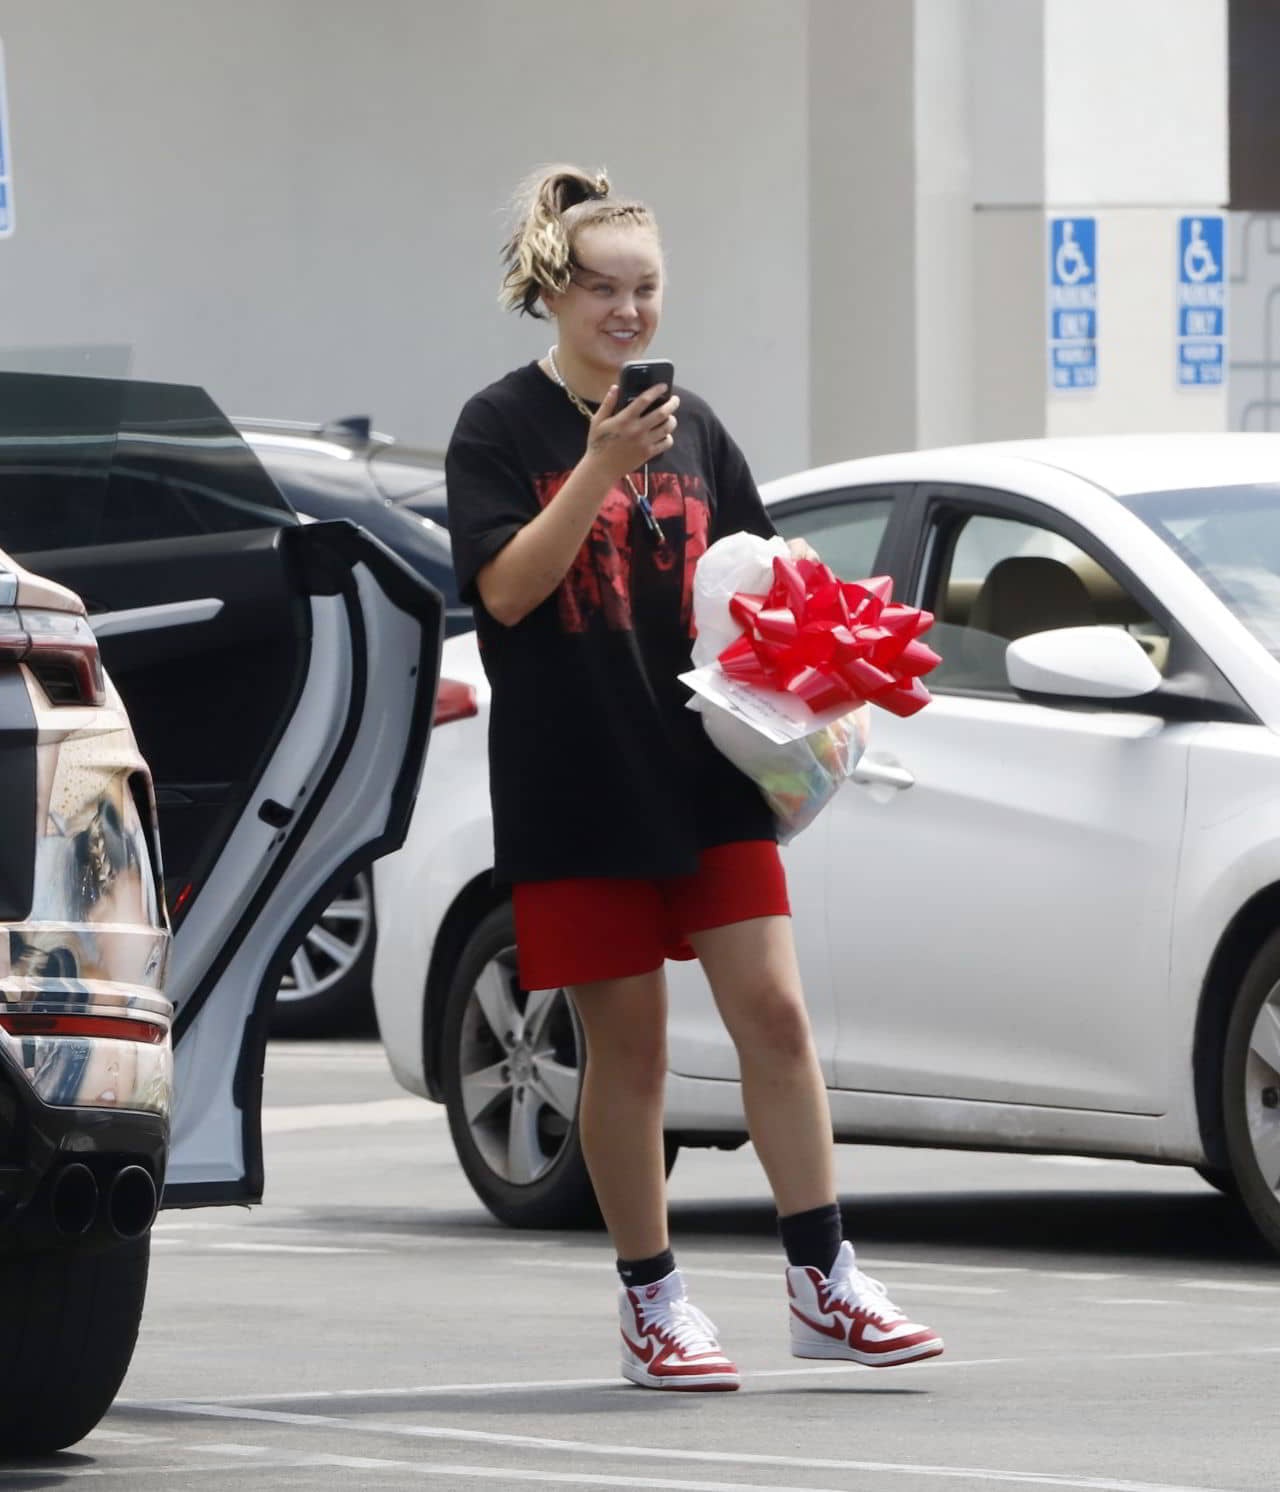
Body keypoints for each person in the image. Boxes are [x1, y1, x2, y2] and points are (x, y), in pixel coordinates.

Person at [446, 163, 943, 1392]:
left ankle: (822, 1276)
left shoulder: (698, 426)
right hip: (578, 781)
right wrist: (598, 467)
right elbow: (505, 591)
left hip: (707, 769)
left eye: (647, 288)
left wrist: (822, 668)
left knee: (773, 1013)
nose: (628, 312)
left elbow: (753, 581)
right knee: (634, 1056)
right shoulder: (498, 427)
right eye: (604, 289)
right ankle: (651, 1298)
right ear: (553, 292)